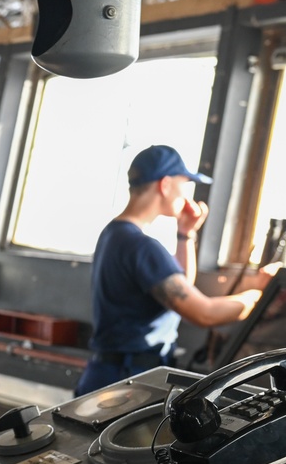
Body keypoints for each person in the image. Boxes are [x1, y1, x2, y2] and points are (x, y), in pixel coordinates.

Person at [74, 144, 278, 397]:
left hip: (107, 373)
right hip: (129, 381)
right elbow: (203, 313)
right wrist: (259, 296)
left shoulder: (114, 234)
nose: (188, 194)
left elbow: (179, 284)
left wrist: (185, 233)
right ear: (166, 185)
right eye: (186, 183)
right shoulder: (143, 247)